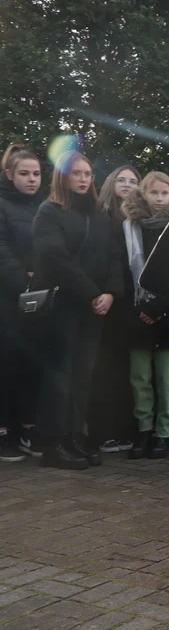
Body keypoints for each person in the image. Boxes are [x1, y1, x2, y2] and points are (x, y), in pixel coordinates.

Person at [32, 150, 123, 469]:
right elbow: (53, 257)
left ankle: (72, 435)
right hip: (64, 306)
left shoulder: (99, 214)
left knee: (83, 374)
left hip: (95, 308)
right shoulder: (50, 211)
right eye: (77, 174)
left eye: (87, 174)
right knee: (61, 374)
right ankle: (53, 445)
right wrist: (90, 292)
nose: (84, 179)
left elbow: (114, 256)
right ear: (63, 177)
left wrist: (110, 292)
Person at [120, 173, 169, 459]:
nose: (160, 199)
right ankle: (144, 432)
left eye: (165, 193)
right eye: (154, 193)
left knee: (166, 379)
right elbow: (125, 269)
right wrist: (142, 308)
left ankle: (163, 434)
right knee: (140, 378)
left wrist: (159, 307)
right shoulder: (129, 227)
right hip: (138, 314)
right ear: (144, 194)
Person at [89, 165, 141, 455]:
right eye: (121, 179)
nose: (127, 185)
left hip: (132, 304)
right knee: (103, 369)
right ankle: (102, 431)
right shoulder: (100, 217)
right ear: (110, 183)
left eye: (133, 181)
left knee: (126, 370)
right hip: (107, 300)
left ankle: (123, 429)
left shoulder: (138, 219)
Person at [0, 145, 44, 463]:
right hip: (7, 299)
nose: (31, 180)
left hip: (39, 299)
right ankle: (6, 433)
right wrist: (25, 279)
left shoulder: (46, 206)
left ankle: (29, 428)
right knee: (7, 364)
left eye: (37, 174)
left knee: (33, 363)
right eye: (24, 173)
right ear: (9, 174)